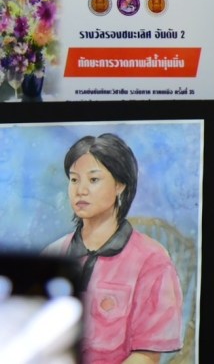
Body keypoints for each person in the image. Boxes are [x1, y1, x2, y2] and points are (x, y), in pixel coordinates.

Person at [47, 133, 183, 364]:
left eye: (93, 179)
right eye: (74, 180)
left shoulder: (151, 260)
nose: (80, 190)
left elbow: (146, 356)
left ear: (120, 185)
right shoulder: (54, 254)